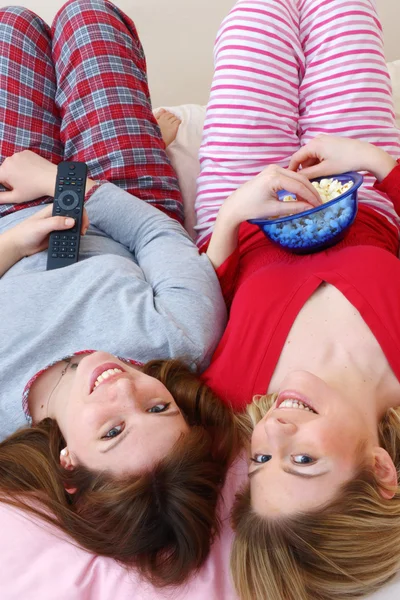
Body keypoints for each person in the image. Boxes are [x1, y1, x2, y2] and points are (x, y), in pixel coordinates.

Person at [0, 0, 242, 587]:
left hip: (6, 215)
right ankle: (141, 135)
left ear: (70, 468)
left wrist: (13, 247)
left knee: (11, 27)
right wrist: (65, 182)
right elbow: (157, 231)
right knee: (88, 17)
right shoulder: (179, 339)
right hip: (121, 197)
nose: (125, 389)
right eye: (159, 408)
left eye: (112, 430)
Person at [193, 0, 400, 598]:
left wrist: (234, 214)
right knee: (345, 11)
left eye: (259, 463)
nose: (274, 432)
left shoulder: (232, 397)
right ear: (381, 472)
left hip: (245, 198)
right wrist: (375, 162)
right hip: (362, 189)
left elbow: (196, 293)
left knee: (253, 17)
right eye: (302, 460)